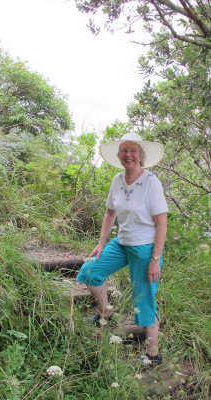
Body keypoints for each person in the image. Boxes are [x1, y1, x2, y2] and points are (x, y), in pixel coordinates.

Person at [76, 132, 168, 364]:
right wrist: (101, 243)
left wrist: (155, 259)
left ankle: (153, 354)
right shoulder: (117, 180)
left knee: (144, 299)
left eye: (133, 150)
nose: (128, 155)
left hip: (145, 248)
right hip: (122, 243)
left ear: (141, 156)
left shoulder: (150, 182)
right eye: (124, 151)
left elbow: (161, 223)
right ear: (119, 156)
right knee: (90, 272)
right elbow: (110, 213)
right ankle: (106, 314)